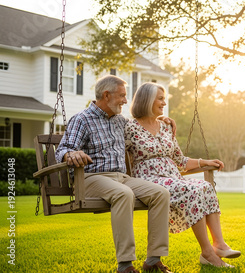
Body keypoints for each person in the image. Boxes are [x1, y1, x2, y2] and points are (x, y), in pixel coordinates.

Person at [55, 75, 173, 273]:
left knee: (160, 193)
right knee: (123, 194)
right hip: (90, 179)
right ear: (106, 95)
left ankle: (153, 260)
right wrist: (70, 153)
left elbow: (142, 128)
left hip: (121, 178)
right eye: (122, 96)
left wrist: (160, 120)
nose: (126, 101)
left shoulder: (120, 121)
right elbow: (62, 149)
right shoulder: (82, 119)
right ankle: (125, 265)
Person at [124, 82, 240, 268]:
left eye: (164, 99)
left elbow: (180, 161)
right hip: (148, 180)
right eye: (160, 99)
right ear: (146, 100)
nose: (163, 103)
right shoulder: (129, 128)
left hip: (173, 178)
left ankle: (219, 244)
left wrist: (204, 162)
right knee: (192, 189)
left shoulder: (165, 127)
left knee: (205, 186)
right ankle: (207, 253)